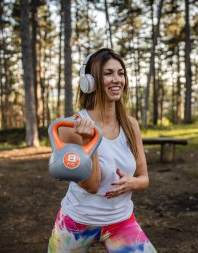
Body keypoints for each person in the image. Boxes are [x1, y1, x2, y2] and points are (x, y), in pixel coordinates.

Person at [48, 48, 157, 253]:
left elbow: (144, 179)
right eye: (108, 73)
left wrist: (133, 182)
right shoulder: (71, 128)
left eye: (120, 73)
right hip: (77, 222)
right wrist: (90, 141)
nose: (117, 79)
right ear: (89, 81)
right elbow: (91, 186)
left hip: (121, 221)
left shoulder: (131, 125)